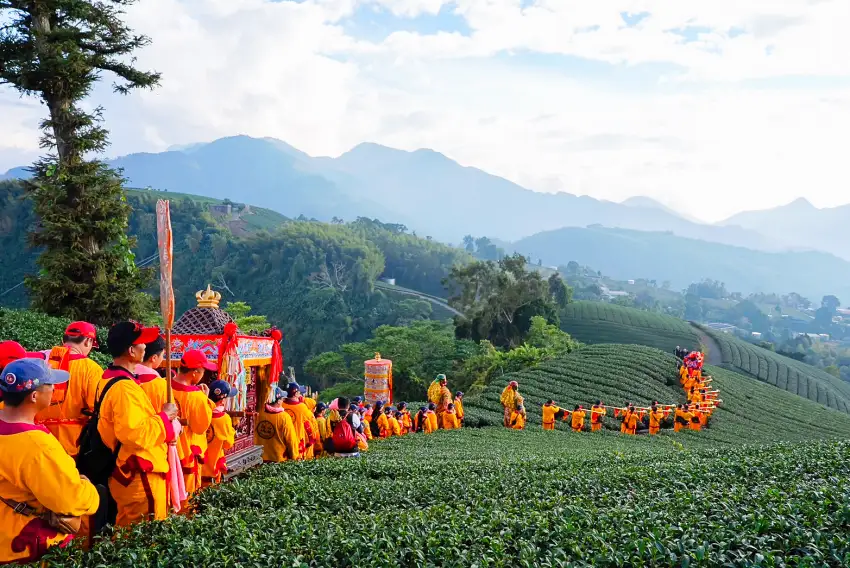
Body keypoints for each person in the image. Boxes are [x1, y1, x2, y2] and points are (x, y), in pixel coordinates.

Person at [0, 359, 100, 565]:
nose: (54, 389)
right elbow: (69, 501)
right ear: (34, 396)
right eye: (50, 385)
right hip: (25, 545)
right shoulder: (37, 446)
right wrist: (90, 492)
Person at [96, 321, 178, 528]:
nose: (145, 347)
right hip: (139, 472)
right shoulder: (124, 388)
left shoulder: (110, 378)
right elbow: (135, 434)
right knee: (144, 540)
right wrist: (164, 416)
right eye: (142, 343)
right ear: (132, 350)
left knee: (128, 531)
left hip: (129, 469)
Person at [34, 321, 104, 458]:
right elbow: (98, 409)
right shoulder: (91, 369)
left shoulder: (41, 364)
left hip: (38, 441)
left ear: (64, 339)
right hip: (73, 446)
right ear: (88, 341)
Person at [171, 349, 216, 502]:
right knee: (187, 498)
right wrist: (206, 399)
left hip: (166, 450)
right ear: (195, 372)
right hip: (187, 452)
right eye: (203, 371)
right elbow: (200, 427)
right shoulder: (197, 397)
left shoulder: (162, 385)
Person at [202, 380, 237, 487]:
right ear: (222, 400)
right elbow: (228, 444)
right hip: (212, 469)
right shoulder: (224, 418)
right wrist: (232, 431)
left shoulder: (202, 412)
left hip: (197, 468)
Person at [255, 387, 300, 462]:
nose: (283, 401)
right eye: (282, 399)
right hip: (278, 459)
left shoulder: (259, 414)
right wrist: (295, 457)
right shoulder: (284, 417)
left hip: (258, 458)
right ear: (278, 401)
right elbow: (291, 440)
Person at [281, 382, 319, 460]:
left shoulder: (281, 405)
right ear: (295, 394)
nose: (300, 394)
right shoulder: (302, 407)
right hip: (297, 443)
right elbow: (313, 422)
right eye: (299, 392)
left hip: (282, 442)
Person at [134, 335, 169, 412]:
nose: (162, 358)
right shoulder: (160, 384)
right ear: (154, 358)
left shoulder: (125, 376)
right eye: (163, 355)